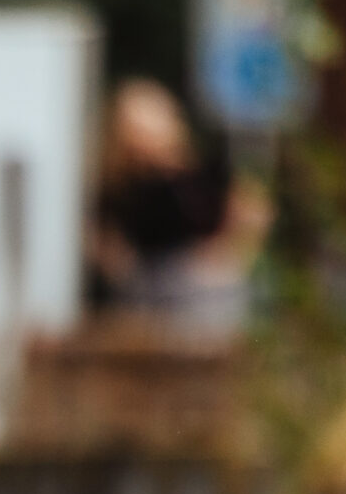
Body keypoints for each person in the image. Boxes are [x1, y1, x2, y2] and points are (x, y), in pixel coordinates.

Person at [88, 78, 271, 336]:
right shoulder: (121, 187)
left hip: (209, 296)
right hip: (150, 301)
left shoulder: (206, 174)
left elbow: (254, 212)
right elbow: (106, 244)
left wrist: (227, 260)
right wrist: (128, 276)